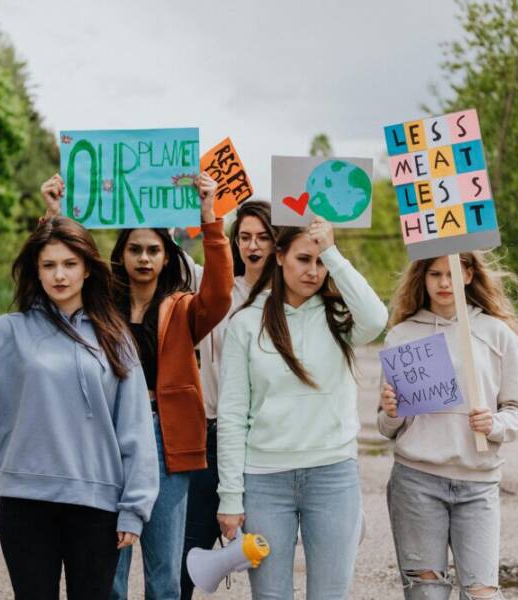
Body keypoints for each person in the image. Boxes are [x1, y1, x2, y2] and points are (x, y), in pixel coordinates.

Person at [0, 210, 158, 600]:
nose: (59, 275)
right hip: (26, 503)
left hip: (96, 507)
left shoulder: (115, 337)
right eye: (49, 265)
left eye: (69, 264)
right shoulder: (10, 331)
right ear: (37, 272)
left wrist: (134, 507)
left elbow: (136, 428)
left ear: (87, 270)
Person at [217, 218, 388, 600]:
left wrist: (333, 252)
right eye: (303, 259)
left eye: (320, 262)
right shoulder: (245, 324)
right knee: (270, 596)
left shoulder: (339, 319)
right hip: (264, 481)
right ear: (279, 257)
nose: (313, 271)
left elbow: (377, 318)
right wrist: (229, 496)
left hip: (332, 475)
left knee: (330, 594)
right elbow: (231, 416)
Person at [105, 172, 234, 600]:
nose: (144, 258)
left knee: (164, 572)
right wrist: (52, 215)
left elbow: (218, 296)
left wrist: (210, 219)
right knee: (108, 570)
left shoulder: (182, 309)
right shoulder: (100, 310)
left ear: (166, 257)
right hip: (107, 439)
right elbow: (54, 276)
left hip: (165, 438)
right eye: (135, 249)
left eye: (153, 250)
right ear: (121, 255)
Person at [379, 252, 518, 600]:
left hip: (477, 484)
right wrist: (393, 411)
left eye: (451, 273)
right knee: (426, 593)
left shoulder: (499, 333)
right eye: (434, 274)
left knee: (482, 594)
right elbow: (387, 426)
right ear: (422, 278)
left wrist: (493, 424)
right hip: (416, 482)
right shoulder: (402, 336)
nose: (443, 283)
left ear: (469, 274)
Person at [180, 200, 277, 600]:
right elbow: (165, 253)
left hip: (267, 440)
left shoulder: (290, 297)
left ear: (276, 243)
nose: (252, 245)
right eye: (244, 237)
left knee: (266, 546)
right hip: (213, 431)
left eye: (262, 237)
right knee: (191, 541)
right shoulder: (213, 287)